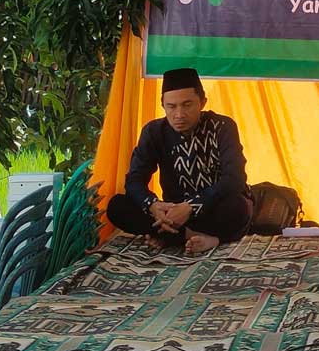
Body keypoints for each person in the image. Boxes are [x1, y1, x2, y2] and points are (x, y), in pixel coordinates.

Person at [106, 68, 253, 253]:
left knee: (238, 207)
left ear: (203, 102)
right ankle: (190, 236)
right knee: (117, 206)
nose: (179, 114)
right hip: (172, 214)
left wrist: (191, 206)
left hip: (213, 208)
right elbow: (134, 180)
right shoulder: (154, 132)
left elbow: (235, 178)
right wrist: (153, 206)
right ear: (163, 105)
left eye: (187, 105)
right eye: (172, 106)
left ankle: (171, 236)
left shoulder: (222, 126)